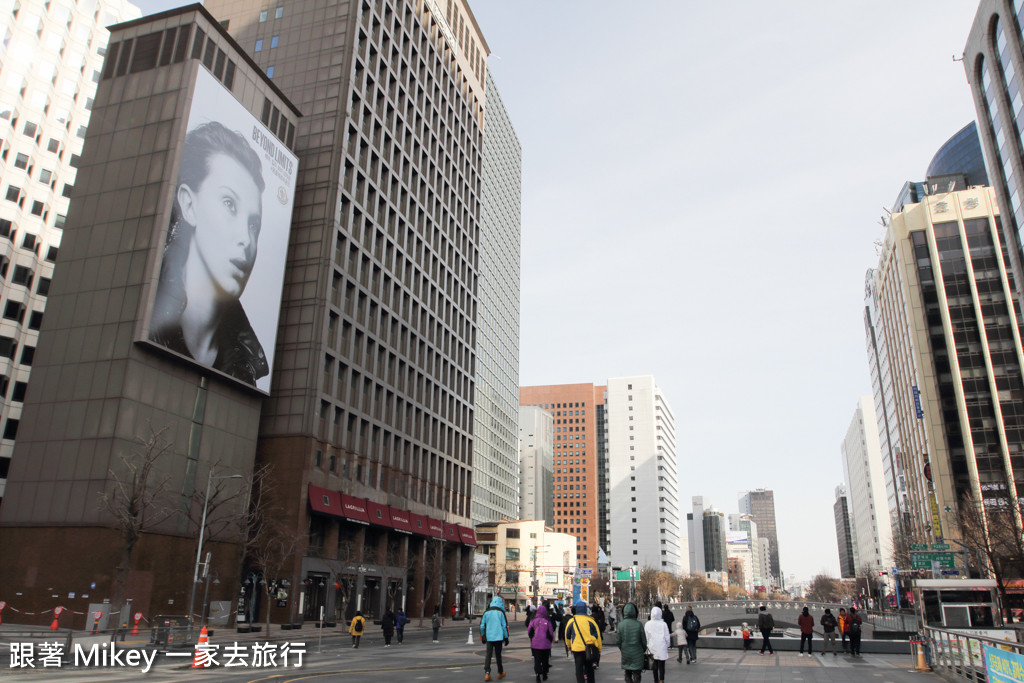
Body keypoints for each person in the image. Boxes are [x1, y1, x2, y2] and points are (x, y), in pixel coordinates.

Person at [149, 121, 270, 386]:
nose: (246, 240)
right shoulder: (144, 315)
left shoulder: (245, 370)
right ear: (189, 204)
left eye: (254, 225)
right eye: (229, 204)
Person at [564, 599, 602, 683]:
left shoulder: (572, 621)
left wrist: (569, 646)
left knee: (579, 669)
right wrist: (599, 649)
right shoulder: (591, 621)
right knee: (590, 669)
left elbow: (567, 636)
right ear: (585, 609)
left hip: (577, 649)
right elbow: (597, 636)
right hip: (589, 648)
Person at [615, 603, 647, 683]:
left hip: (626, 652)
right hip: (638, 652)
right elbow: (644, 641)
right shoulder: (639, 624)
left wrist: (623, 648)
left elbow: (618, 641)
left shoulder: (620, 625)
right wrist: (642, 650)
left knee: (628, 671)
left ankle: (628, 680)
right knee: (637, 673)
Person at [480, 595, 510, 681]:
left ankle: (487, 673)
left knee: (488, 655)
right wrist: (506, 638)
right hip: (499, 637)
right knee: (498, 655)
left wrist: (483, 636)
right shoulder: (501, 612)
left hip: (489, 637)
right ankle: (500, 672)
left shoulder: (486, 612)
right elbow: (504, 626)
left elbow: (482, 626)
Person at [528, 602, 555, 682]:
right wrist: (550, 640)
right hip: (545, 645)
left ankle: (537, 674)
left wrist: (533, 638)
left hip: (535, 644)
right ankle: (545, 674)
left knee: (537, 660)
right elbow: (551, 633)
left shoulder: (533, 621)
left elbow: (529, 631)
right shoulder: (547, 621)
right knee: (545, 660)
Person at [644, 605, 670, 683]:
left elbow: (646, 637)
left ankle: (655, 680)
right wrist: (667, 645)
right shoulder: (663, 624)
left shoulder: (648, 624)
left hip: (652, 646)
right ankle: (661, 680)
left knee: (654, 665)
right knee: (661, 665)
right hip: (661, 647)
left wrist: (646, 646)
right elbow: (667, 637)